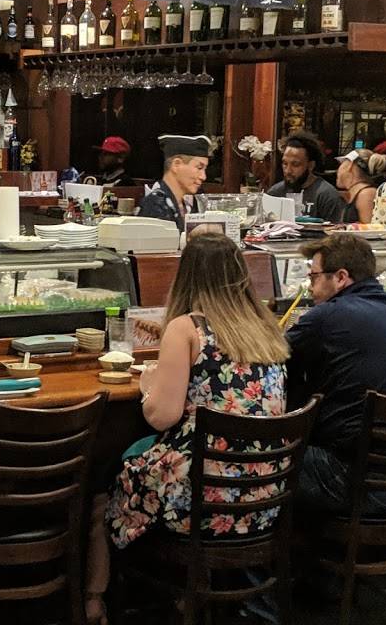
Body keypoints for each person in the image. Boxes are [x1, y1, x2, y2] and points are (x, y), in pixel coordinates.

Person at [85, 234, 289, 622]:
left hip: (202, 502)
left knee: (102, 481)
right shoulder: (267, 327)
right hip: (265, 499)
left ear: (186, 275)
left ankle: (96, 600)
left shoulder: (187, 329)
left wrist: (149, 386)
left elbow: (161, 417)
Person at [285, 234, 386, 514]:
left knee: (259, 459)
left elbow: (269, 355)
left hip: (359, 483)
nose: (310, 287)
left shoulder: (327, 317)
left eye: (313, 277)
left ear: (340, 277)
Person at [138, 134, 212, 231]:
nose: (203, 176)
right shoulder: (155, 205)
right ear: (176, 165)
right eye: (199, 168)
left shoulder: (188, 205)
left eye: (205, 169)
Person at [266, 130, 344, 221]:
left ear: (310, 165)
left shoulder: (326, 196)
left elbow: (335, 228)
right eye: (285, 163)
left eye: (295, 164)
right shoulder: (275, 193)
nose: (288, 170)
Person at [335, 148, 386, 224]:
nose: (337, 170)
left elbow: (370, 229)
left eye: (342, 163)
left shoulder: (366, 194)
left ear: (350, 165)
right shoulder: (357, 193)